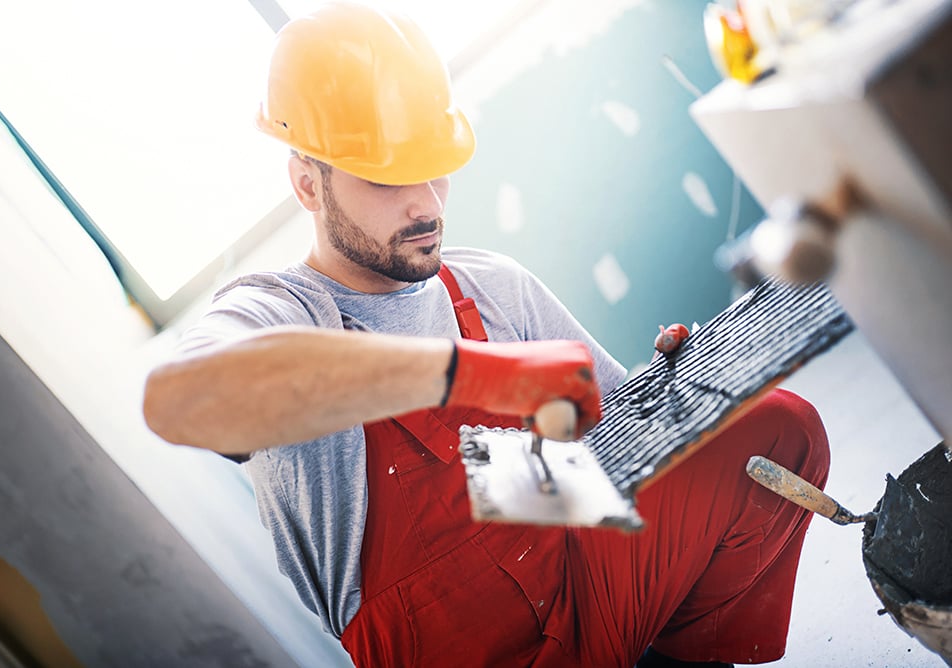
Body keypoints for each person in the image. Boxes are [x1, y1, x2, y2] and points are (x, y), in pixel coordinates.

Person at [142, 3, 829, 667]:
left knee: (777, 430)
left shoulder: (492, 288)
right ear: (307, 186)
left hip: (579, 583)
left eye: (433, 166)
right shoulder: (282, 312)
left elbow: (608, 457)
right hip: (443, 649)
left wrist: (672, 402)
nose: (425, 203)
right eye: (385, 177)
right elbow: (177, 400)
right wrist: (472, 374)